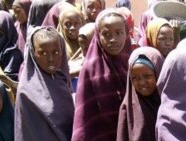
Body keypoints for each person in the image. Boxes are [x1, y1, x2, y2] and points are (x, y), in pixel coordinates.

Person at [72, 9, 132, 141]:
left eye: (119, 33)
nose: (113, 39)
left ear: (126, 33)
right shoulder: (90, 69)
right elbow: (84, 116)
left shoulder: (133, 64)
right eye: (106, 34)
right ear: (98, 36)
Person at [15, 26, 74, 141]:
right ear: (33, 53)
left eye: (56, 52)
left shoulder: (61, 80)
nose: (51, 59)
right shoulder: (26, 92)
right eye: (43, 53)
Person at [117, 46, 164, 141]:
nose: (142, 82)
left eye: (147, 76)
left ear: (159, 73)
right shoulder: (128, 108)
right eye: (135, 78)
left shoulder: (170, 104)